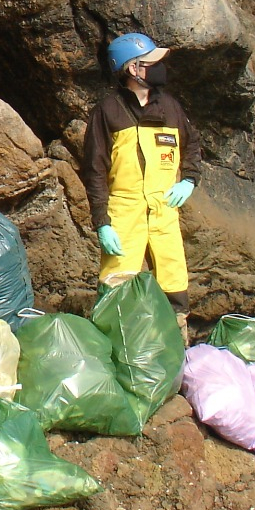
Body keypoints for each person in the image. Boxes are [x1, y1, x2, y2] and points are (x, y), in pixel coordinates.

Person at [80, 32, 202, 333]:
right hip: (124, 212)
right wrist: (102, 222)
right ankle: (115, 348)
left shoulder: (170, 107)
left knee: (173, 283)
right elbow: (94, 170)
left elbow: (193, 144)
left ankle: (175, 344)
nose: (160, 66)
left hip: (163, 210)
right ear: (133, 69)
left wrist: (189, 180)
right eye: (151, 62)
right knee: (116, 288)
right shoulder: (107, 112)